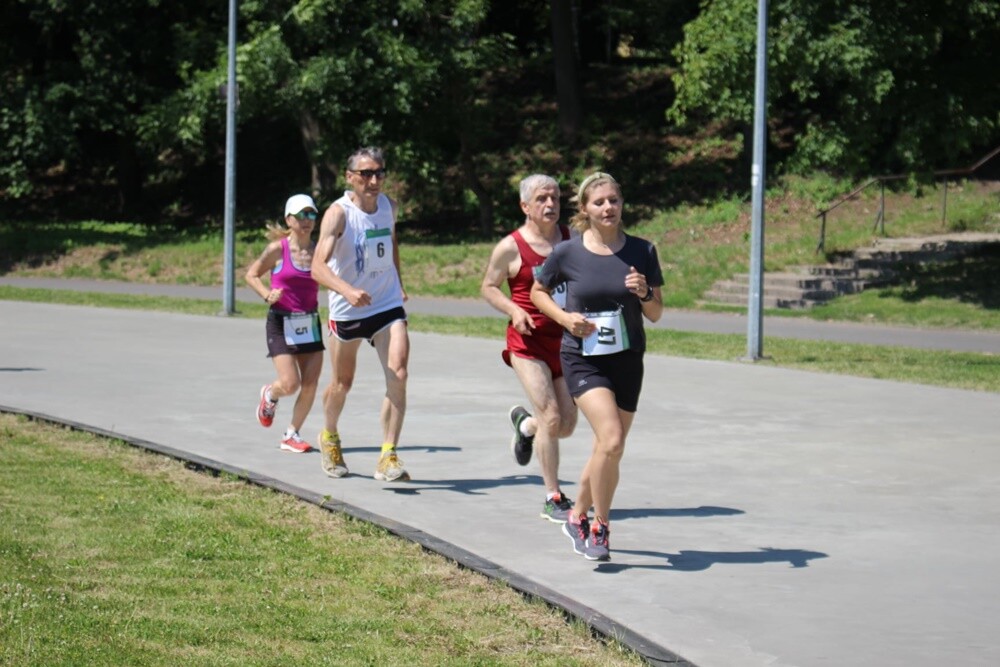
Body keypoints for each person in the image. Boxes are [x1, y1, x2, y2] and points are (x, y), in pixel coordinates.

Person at [531, 172, 664, 561]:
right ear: (585, 209)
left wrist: (643, 293)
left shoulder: (642, 250)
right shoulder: (567, 253)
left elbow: (656, 313)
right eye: (599, 202)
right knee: (613, 439)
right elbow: (538, 293)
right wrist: (565, 319)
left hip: (627, 358)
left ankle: (575, 515)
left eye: (614, 201)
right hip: (583, 358)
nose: (608, 208)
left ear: (622, 204)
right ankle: (599, 526)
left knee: (608, 448)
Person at [481, 174, 578, 522]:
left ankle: (525, 427)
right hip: (528, 342)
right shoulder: (511, 246)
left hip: (565, 341)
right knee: (552, 415)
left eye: (554, 197)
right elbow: (489, 287)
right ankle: (553, 496)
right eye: (541, 198)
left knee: (565, 425)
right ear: (525, 206)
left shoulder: (571, 238)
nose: (550, 204)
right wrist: (514, 309)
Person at [310, 147, 410, 482]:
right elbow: (317, 267)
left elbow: (391, 243)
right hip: (348, 308)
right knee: (342, 383)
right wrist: (347, 290)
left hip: (387, 303)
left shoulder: (389, 207)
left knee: (399, 373)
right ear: (350, 177)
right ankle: (330, 436)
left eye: (379, 173)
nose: (374, 180)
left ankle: (388, 455)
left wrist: (399, 281)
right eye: (366, 174)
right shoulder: (338, 214)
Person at [245, 194, 325, 453]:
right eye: (301, 215)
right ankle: (271, 394)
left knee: (311, 382)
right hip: (281, 321)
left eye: (311, 215)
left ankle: (291, 434)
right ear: (289, 219)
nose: (307, 221)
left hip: (309, 321)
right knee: (291, 384)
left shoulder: (319, 250)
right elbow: (251, 274)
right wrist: (266, 295)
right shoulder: (277, 249)